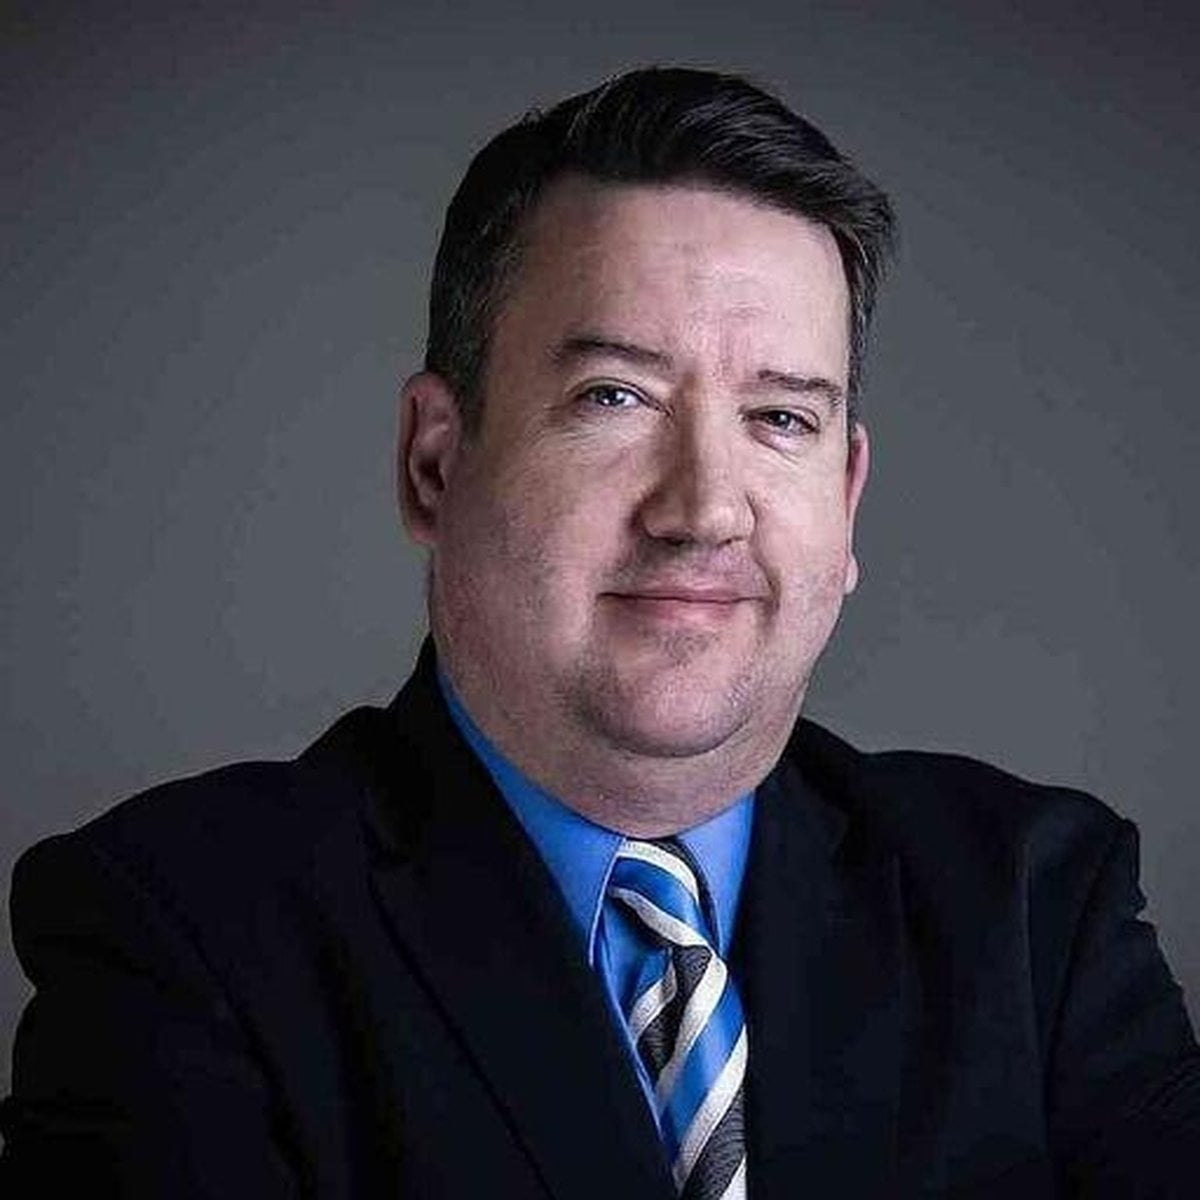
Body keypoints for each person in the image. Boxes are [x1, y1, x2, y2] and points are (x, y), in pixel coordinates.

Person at [1, 67, 1197, 1198]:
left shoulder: (1037, 909)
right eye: (613, 397)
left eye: (781, 418)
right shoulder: (185, 934)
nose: (705, 509)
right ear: (434, 464)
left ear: (846, 500)